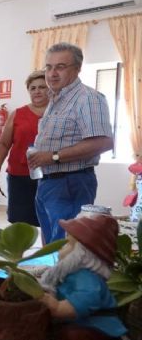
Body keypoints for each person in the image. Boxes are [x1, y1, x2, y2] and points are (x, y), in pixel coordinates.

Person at [29, 43, 113, 243]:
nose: (52, 73)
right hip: (49, 182)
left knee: (66, 247)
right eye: (48, 67)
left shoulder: (88, 99)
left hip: (71, 182)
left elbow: (103, 142)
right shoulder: (56, 99)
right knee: (51, 245)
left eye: (60, 67)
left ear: (77, 68)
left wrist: (54, 156)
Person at [38, 215, 128, 340]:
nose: (62, 248)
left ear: (82, 254)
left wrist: (54, 305)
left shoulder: (87, 279)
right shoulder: (71, 273)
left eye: (68, 244)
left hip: (96, 324)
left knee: (74, 336)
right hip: (79, 319)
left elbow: (78, 304)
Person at [0, 70, 48, 227]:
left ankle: (46, 252)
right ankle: (18, 252)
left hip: (50, 176)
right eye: (33, 88)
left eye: (42, 87)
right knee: (20, 222)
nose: (37, 91)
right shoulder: (18, 114)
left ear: (50, 89)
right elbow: (3, 144)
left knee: (48, 221)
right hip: (20, 176)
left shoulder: (57, 113)